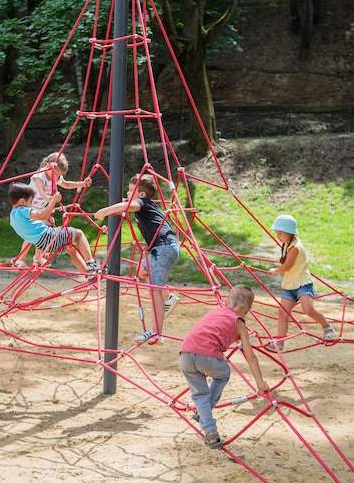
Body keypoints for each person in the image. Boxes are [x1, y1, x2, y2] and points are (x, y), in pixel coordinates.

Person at [94, 173, 181, 345]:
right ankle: (168, 297)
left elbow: (127, 206)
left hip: (162, 249)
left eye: (130, 191)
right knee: (142, 271)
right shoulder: (149, 207)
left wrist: (104, 211)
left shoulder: (142, 203)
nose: (127, 194)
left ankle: (157, 333)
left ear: (141, 195)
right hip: (166, 248)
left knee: (154, 290)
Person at [180, 284, 269, 449]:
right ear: (248, 310)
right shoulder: (240, 323)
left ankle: (210, 431)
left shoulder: (214, 312)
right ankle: (206, 410)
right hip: (208, 357)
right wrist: (260, 383)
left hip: (185, 353)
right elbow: (250, 356)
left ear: (227, 301)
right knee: (222, 375)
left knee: (199, 394)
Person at [267, 214, 334, 351]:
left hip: (303, 284)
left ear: (290, 233)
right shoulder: (287, 244)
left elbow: (286, 266)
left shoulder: (295, 247)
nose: (277, 236)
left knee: (308, 309)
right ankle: (279, 343)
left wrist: (275, 270)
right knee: (282, 313)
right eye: (277, 233)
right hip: (290, 284)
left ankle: (327, 327)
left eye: (280, 233)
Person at [14, 152, 92, 267]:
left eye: (58, 175)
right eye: (55, 173)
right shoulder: (39, 176)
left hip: (40, 209)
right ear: (47, 165)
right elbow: (42, 192)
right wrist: (51, 199)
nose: (56, 177)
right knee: (32, 235)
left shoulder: (55, 176)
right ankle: (21, 259)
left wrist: (82, 183)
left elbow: (66, 184)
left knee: (41, 234)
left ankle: (37, 258)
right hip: (29, 208)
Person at [8, 183, 100, 274]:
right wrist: (53, 200)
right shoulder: (23, 210)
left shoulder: (12, 216)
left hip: (42, 244)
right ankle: (91, 264)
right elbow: (43, 215)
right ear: (22, 201)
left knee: (72, 250)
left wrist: (46, 222)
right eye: (31, 202)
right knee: (79, 234)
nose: (31, 205)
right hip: (49, 237)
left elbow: (32, 227)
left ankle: (88, 275)